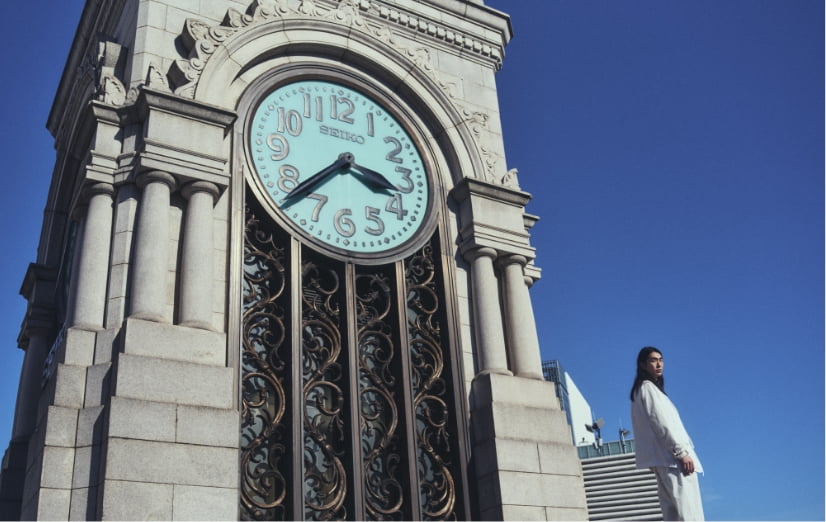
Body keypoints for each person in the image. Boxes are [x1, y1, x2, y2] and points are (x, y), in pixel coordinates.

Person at [630, 346, 705, 521]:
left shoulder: (642, 390)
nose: (659, 364)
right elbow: (662, 423)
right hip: (674, 460)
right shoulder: (648, 389)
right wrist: (681, 452)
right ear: (643, 365)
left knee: (673, 514)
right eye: (653, 360)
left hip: (664, 461)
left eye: (661, 360)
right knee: (689, 514)